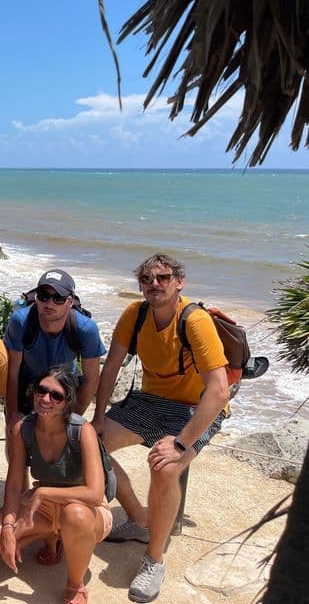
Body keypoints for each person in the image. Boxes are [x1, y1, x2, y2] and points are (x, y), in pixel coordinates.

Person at [91, 253, 229, 603]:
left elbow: (219, 391)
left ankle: (154, 559)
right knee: (90, 444)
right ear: (140, 285)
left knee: (165, 464)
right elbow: (111, 370)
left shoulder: (194, 321)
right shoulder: (134, 314)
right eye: (147, 279)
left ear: (179, 282)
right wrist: (97, 417)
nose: (155, 284)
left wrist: (182, 445)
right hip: (150, 401)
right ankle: (140, 519)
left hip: (196, 407)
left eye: (163, 277)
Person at [0, 367, 112, 604]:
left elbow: (94, 494)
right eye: (41, 391)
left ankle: (75, 585)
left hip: (86, 508)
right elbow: (13, 484)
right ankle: (53, 536)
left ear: (67, 402)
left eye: (56, 395)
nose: (45, 399)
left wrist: (42, 491)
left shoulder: (83, 431)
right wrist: (9, 528)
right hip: (43, 505)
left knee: (75, 516)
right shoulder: (25, 429)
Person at [4, 269, 105, 437]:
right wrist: (12, 414)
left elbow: (92, 378)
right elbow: (12, 371)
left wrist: (74, 415)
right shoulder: (21, 321)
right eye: (44, 296)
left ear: (70, 301)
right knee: (16, 438)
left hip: (65, 386)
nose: (50, 304)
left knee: (57, 441)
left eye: (58, 298)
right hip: (29, 383)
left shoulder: (86, 329)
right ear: (36, 297)